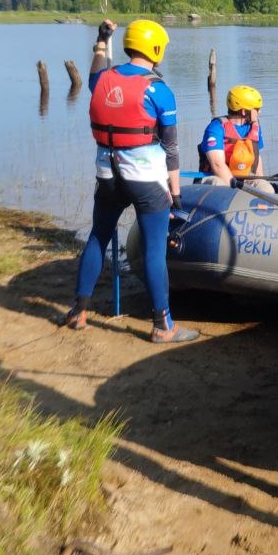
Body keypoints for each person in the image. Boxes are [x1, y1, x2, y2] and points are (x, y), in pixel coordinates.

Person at [62, 18, 199, 344]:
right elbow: (171, 149)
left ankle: (79, 309)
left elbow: (96, 67)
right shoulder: (160, 91)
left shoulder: (103, 80)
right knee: (154, 252)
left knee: (97, 237)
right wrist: (175, 193)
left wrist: (101, 38)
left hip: (107, 177)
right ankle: (162, 325)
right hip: (147, 184)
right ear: (155, 48)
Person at [198, 85, 273, 192]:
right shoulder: (216, 127)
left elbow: (257, 159)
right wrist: (236, 187)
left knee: (266, 188)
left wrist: (260, 180)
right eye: (256, 109)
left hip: (244, 179)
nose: (259, 112)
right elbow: (217, 165)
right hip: (217, 177)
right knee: (219, 184)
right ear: (243, 111)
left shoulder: (255, 127)